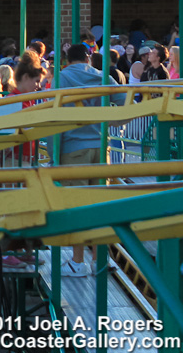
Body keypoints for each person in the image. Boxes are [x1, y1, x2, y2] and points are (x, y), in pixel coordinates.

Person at [56, 42, 126, 276]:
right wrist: (113, 122)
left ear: (67, 59)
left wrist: (52, 154)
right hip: (100, 145)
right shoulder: (102, 76)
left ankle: (77, 262)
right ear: (88, 58)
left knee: (77, 207)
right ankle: (99, 259)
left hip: (73, 149)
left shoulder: (61, 78)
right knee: (99, 206)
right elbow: (127, 103)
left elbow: (52, 116)